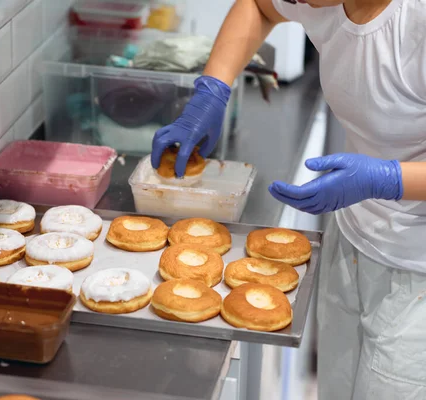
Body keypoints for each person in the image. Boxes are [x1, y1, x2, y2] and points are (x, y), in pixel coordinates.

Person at [150, 0, 426, 398]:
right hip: (353, 244)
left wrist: (388, 179)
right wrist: (213, 89)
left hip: (416, 271)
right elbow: (258, 6)